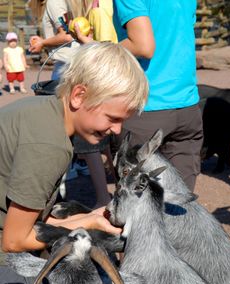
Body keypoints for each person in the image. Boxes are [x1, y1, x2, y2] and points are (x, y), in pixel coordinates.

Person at [0, 41, 148, 253]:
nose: (117, 130)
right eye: (112, 118)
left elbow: (32, 220)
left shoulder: (46, 112)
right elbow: (14, 241)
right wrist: (87, 225)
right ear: (79, 96)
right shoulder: (50, 146)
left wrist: (90, 218)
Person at [30, 0, 118, 208]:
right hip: (77, 62)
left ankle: (99, 197)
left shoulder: (53, 2)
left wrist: (43, 42)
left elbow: (66, 35)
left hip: (69, 66)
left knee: (72, 132)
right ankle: (105, 191)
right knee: (89, 132)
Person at [112, 0, 203, 192]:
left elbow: (143, 46)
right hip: (187, 106)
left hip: (145, 107)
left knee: (135, 206)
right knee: (180, 206)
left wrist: (103, 51)